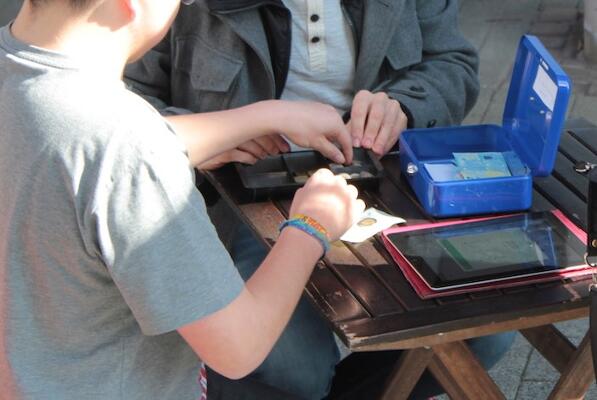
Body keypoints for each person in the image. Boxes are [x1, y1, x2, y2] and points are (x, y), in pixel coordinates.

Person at [125, 0, 516, 398]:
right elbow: (119, 104)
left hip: (381, 182)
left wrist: (404, 105)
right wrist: (216, 134)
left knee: (483, 329)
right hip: (243, 198)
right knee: (285, 362)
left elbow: (453, 63)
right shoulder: (171, 10)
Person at [0, 0, 365, 399]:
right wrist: (310, 226)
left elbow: (85, 151)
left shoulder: (21, 72)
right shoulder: (130, 148)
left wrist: (261, 116)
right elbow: (239, 346)